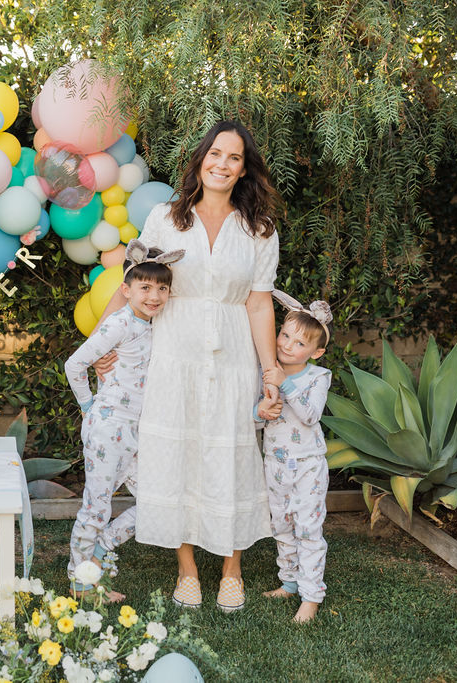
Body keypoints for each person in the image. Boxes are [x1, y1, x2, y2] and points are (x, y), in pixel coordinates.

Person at [94, 120, 282, 612]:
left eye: (234, 157)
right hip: (172, 352)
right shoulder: (165, 218)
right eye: (215, 153)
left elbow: (259, 303)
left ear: (244, 170)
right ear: (201, 159)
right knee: (175, 455)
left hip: (234, 355)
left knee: (232, 455)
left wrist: (270, 370)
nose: (223, 164)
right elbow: (132, 284)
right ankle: (187, 570)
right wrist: (101, 344)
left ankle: (232, 570)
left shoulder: (259, 229)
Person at [64, 240, 185, 601]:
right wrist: (89, 407)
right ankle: (81, 583)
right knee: (96, 506)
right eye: (145, 288)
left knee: (155, 501)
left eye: (162, 288)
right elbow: (74, 365)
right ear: (126, 290)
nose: (154, 296)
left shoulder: (154, 325)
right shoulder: (119, 323)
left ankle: (100, 549)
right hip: (108, 426)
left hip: (137, 428)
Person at [255, 290, 333, 624]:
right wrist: (260, 411)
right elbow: (255, 418)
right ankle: (289, 582)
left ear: (317, 352)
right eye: (285, 335)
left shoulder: (318, 377)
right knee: (282, 525)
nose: (287, 345)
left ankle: (311, 596)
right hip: (275, 464)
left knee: (307, 528)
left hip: (307, 466)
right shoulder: (266, 371)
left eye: (299, 343)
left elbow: (311, 415)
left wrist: (285, 384)